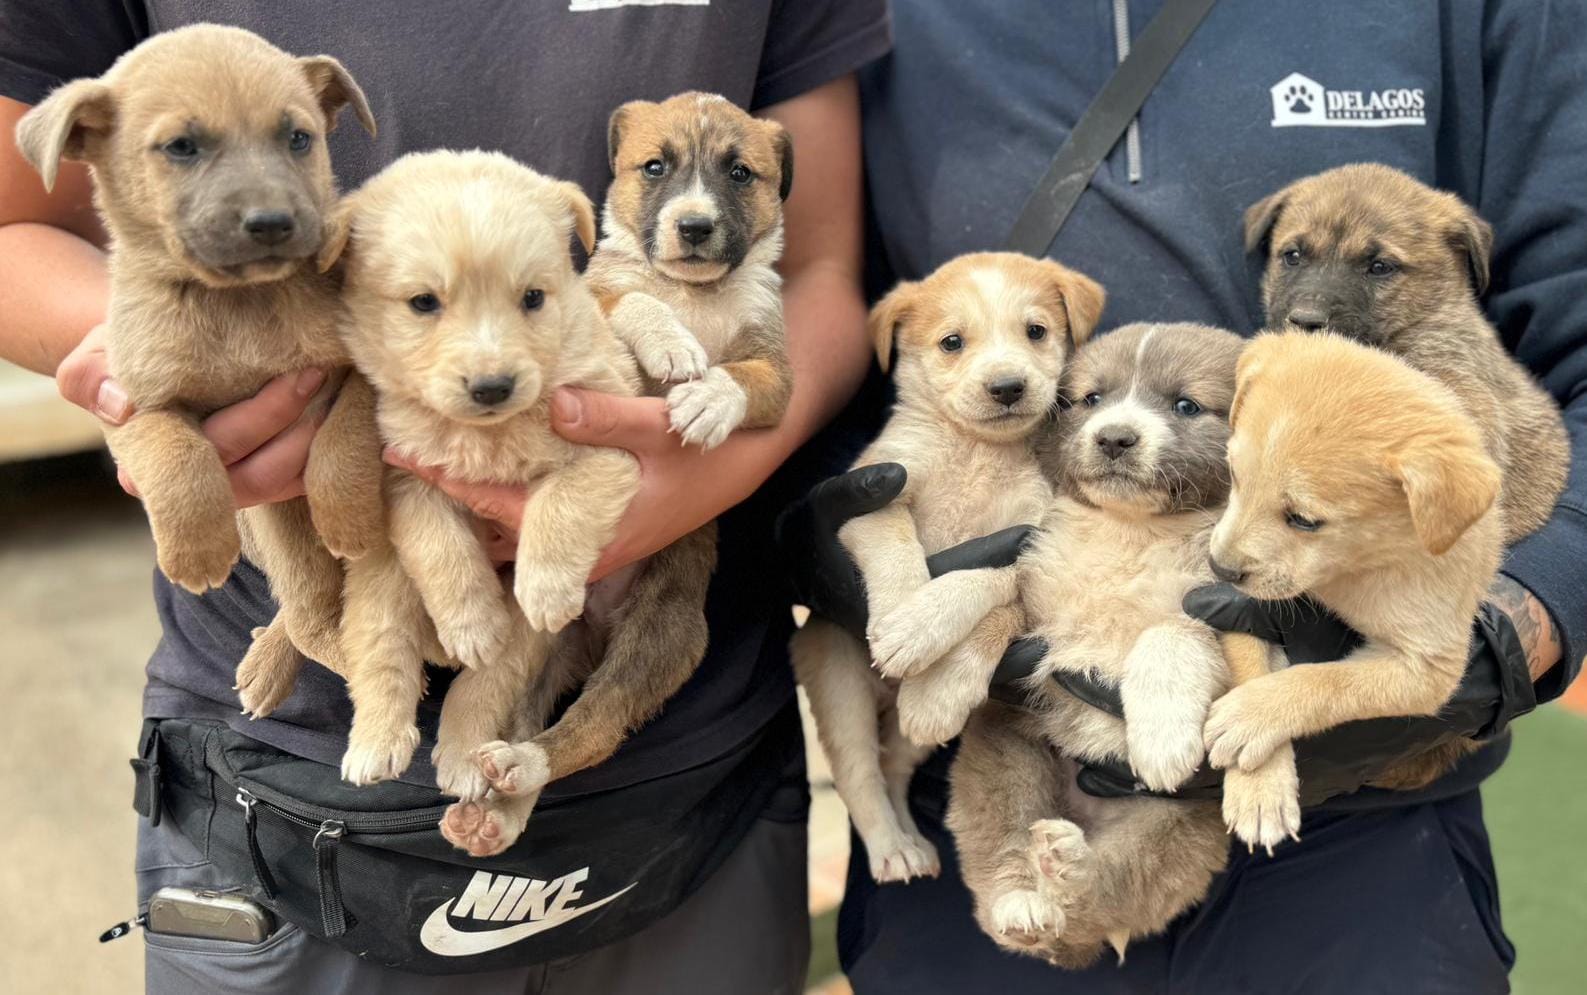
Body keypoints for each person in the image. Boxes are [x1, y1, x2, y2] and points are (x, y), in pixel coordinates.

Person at [0, 3, 888, 992]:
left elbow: (817, 266)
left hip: (691, 768)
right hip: (297, 790)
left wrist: (675, 477)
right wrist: (200, 361)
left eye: (296, 136)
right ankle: (317, 634)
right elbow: (10, 221)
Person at [787, 1, 1585, 992]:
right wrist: (832, 530)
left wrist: (1508, 630)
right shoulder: (859, 15)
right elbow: (808, 304)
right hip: (1003, 776)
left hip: (1358, 832)